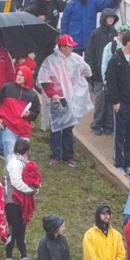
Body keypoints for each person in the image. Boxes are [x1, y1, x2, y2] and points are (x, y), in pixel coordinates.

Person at [38, 35, 92, 165]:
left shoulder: (76, 59)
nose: (72, 48)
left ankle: (68, 155)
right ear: (62, 47)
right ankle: (55, 155)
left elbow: (87, 72)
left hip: (72, 99)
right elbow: (44, 80)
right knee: (56, 128)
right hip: (57, 99)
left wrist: (78, 85)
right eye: (69, 46)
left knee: (68, 127)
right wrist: (53, 95)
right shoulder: (51, 61)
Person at [105, 29, 130, 171]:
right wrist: (115, 101)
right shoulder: (115, 60)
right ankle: (119, 162)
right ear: (128, 43)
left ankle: (129, 161)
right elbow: (111, 82)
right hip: (121, 103)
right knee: (120, 133)